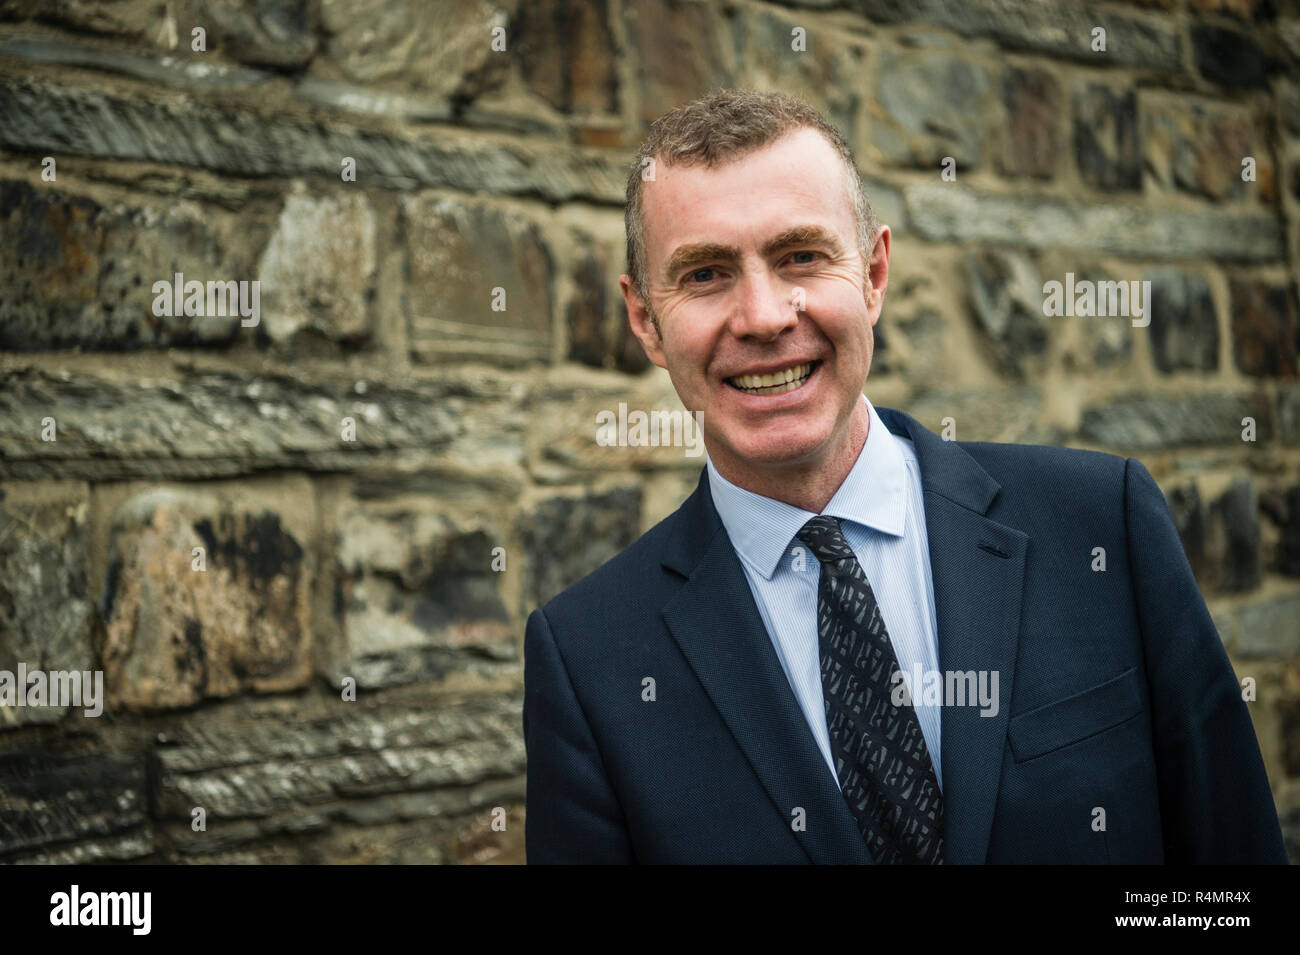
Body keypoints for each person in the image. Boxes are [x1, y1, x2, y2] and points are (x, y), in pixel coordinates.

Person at [521, 89, 1288, 864]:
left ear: (875, 272)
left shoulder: (1103, 526)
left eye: (801, 257)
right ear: (646, 318)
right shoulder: (589, 662)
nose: (761, 315)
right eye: (706, 274)